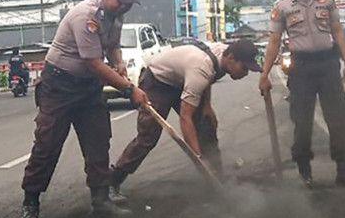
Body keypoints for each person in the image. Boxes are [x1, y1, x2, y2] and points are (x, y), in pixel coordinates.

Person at [19, 0, 149, 218]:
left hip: (88, 87)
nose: (124, 6)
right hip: (60, 84)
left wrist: (119, 63)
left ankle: (100, 200)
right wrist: (128, 89)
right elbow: (91, 62)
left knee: (98, 139)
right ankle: (30, 202)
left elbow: (112, 46)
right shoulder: (85, 16)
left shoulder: (115, 14)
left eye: (128, 2)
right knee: (48, 143)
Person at [109, 38, 262, 201]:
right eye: (244, 68)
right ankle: (113, 180)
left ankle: (216, 178)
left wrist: (207, 106)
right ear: (231, 58)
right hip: (158, 82)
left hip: (183, 79)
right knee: (148, 136)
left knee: (206, 124)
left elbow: (209, 77)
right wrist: (198, 157)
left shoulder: (223, 54)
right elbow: (185, 118)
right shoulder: (201, 69)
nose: (245, 74)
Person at [259, 0, 345, 188]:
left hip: (327, 65)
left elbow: (337, 29)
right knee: (302, 123)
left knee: (338, 119)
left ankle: (344, 171)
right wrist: (264, 75)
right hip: (300, 68)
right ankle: (305, 173)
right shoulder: (281, 7)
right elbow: (274, 41)